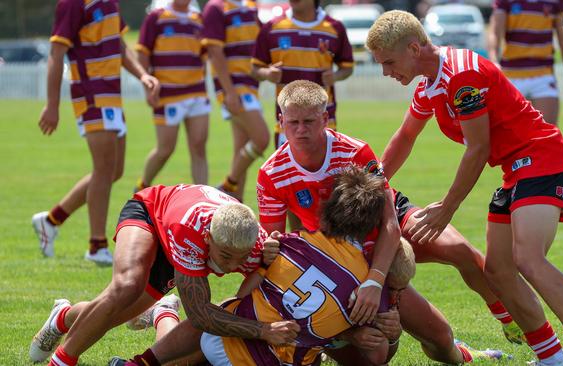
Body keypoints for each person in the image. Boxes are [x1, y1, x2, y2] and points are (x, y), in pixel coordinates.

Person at [367, 10, 563, 366]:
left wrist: (447, 207)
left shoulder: (461, 74)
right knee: (497, 272)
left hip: (541, 158)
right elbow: (405, 136)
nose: (386, 72)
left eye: (389, 62)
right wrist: (374, 183)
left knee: (527, 258)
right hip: (513, 171)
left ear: (414, 47)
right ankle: (552, 357)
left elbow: (478, 147)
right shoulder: (429, 84)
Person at [257, 80, 509, 363]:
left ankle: (469, 351)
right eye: (293, 122)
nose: (301, 130)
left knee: (440, 337)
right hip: (331, 265)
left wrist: (375, 282)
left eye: (309, 121)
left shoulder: (354, 152)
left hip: (373, 245)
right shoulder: (271, 173)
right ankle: (332, 339)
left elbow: (389, 222)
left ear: (325, 118)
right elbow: (278, 253)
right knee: (376, 352)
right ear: (280, 121)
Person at [109, 166, 411, 366]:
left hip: (222, 341)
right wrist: (371, 333)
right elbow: (379, 355)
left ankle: (154, 334)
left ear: (327, 214)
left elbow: (246, 293)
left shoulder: (290, 244)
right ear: (370, 227)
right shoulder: (369, 288)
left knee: (224, 314)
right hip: (264, 352)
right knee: (216, 320)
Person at [28, 184, 299, 366]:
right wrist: (263, 331)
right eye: (226, 256)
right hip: (152, 212)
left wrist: (263, 265)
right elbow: (201, 315)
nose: (231, 266)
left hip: (183, 238)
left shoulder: (255, 247)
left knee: (117, 316)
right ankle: (61, 360)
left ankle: (65, 316)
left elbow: (238, 303)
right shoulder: (191, 232)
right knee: (127, 287)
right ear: (209, 238)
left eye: (241, 258)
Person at [31, 0, 160, 265]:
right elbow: (56, 53)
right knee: (103, 168)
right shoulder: (72, 3)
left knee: (113, 170)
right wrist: (52, 105)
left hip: (112, 96)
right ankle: (96, 244)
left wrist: (142, 75)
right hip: (91, 95)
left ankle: (51, 220)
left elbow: (120, 47)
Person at [252, 0, 354, 149]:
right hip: (288, 122)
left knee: (325, 172)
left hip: (323, 121)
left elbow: (347, 67)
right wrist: (267, 73)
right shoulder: (272, 28)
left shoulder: (334, 28)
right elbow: (254, 68)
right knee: (289, 173)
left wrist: (336, 76)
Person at [134, 0, 211, 191]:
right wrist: (147, 88)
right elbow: (142, 53)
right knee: (165, 149)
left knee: (199, 148)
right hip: (166, 95)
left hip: (196, 93)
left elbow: (204, 57)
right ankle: (141, 187)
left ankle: (203, 200)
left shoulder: (199, 20)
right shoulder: (156, 17)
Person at [202, 0, 270, 202]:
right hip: (234, 87)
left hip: (250, 85)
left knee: (241, 150)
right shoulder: (216, 7)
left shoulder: (250, 5)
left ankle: (235, 209)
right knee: (261, 138)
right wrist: (229, 92)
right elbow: (215, 53)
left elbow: (262, 40)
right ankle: (227, 184)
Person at [488, 0, 563, 125]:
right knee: (512, 136)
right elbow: (495, 32)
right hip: (511, 77)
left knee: (548, 135)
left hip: (543, 76)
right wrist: (494, 61)